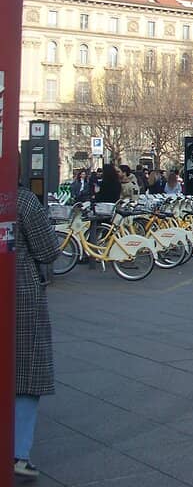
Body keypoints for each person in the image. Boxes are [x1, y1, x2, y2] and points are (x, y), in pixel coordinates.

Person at [14, 184, 60, 479]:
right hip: (20, 295)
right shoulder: (23, 201)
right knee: (27, 372)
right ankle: (18, 453)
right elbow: (48, 250)